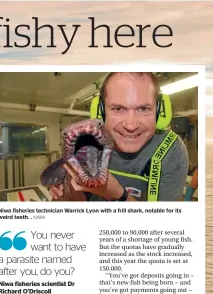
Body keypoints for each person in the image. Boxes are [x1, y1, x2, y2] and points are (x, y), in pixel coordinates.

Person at [49, 72, 189, 202]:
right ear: (101, 112)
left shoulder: (172, 150)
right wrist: (63, 190)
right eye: (118, 109)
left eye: (143, 109)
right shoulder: (85, 142)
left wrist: (117, 194)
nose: (130, 125)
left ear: (158, 112)